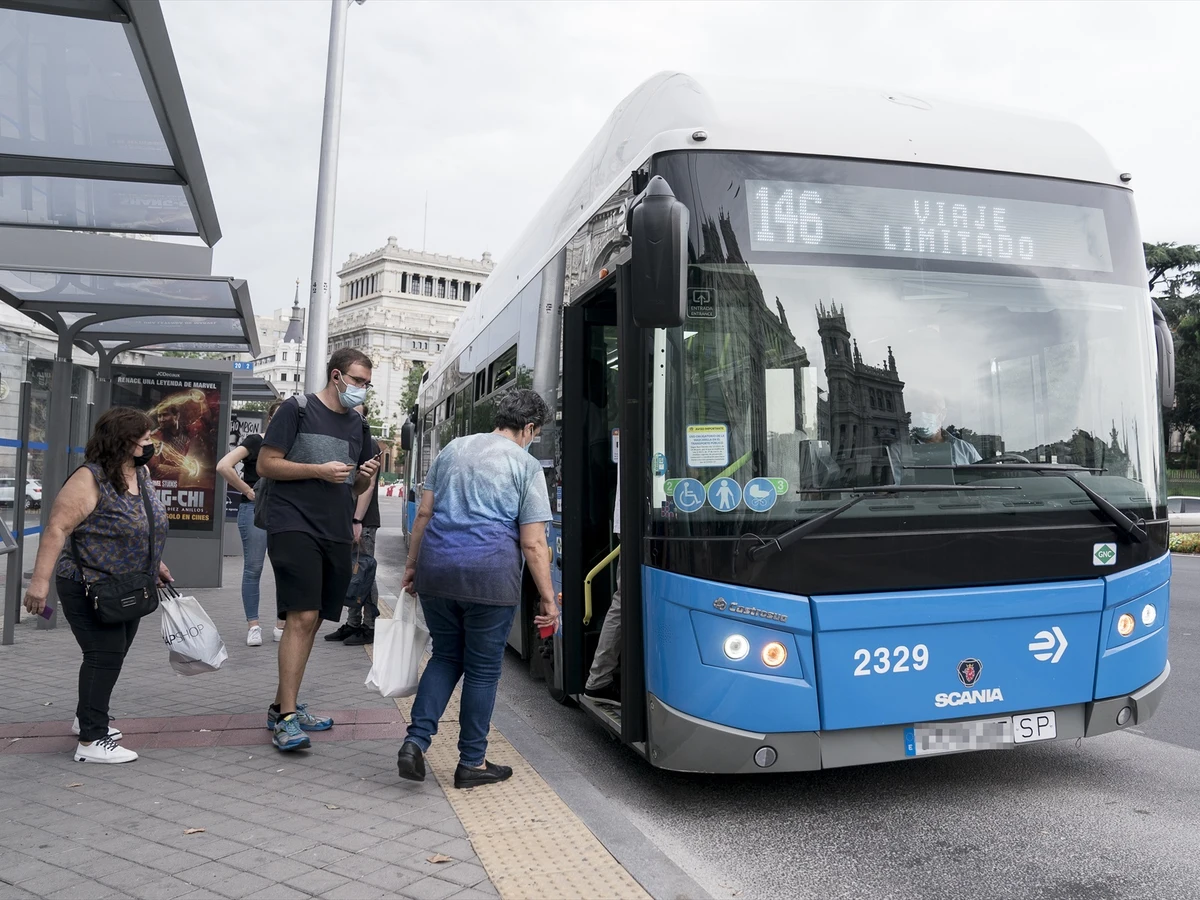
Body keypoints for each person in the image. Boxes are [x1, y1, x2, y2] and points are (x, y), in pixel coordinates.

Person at [397, 389, 556, 789]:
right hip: (489, 575)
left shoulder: (453, 449)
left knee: (445, 656)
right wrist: (549, 598)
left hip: (437, 569)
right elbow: (534, 542)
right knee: (483, 671)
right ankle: (472, 762)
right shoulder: (526, 465)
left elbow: (425, 513)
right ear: (530, 428)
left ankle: (415, 742)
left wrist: (413, 566)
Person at [22, 407, 173, 764]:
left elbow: (144, 521)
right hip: (89, 583)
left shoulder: (140, 471)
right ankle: (91, 739)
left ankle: (87, 715)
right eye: (145, 439)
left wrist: (156, 561)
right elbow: (57, 529)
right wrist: (39, 583)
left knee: (114, 653)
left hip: (131, 584)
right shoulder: (89, 479)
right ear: (123, 442)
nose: (151, 444)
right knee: (103, 654)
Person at [257, 349, 381, 752]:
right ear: (336, 376)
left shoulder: (358, 425)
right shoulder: (297, 409)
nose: (362, 390)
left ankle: (283, 706)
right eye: (358, 381)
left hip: (334, 529)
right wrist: (317, 470)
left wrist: (363, 477)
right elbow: (266, 464)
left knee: (311, 621)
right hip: (292, 523)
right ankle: (288, 719)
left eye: (366, 383)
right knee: (302, 614)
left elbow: (355, 487)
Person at [216, 400, 285, 646]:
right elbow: (223, 465)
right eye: (278, 415)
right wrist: (247, 490)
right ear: (270, 418)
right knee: (253, 568)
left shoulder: (294, 444)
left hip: (285, 511)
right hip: (255, 509)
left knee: (285, 569)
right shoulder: (256, 441)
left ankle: (281, 625)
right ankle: (253, 626)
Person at [325, 404, 381, 646]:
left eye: (358, 412)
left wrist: (357, 520)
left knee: (365, 572)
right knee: (353, 573)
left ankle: (370, 626)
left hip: (362, 521)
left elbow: (367, 485)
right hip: (346, 518)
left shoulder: (370, 445)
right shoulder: (350, 440)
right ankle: (353, 623)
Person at [584, 462, 621, 705]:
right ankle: (598, 680)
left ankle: (599, 678)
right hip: (636, 527)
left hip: (631, 525)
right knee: (623, 603)